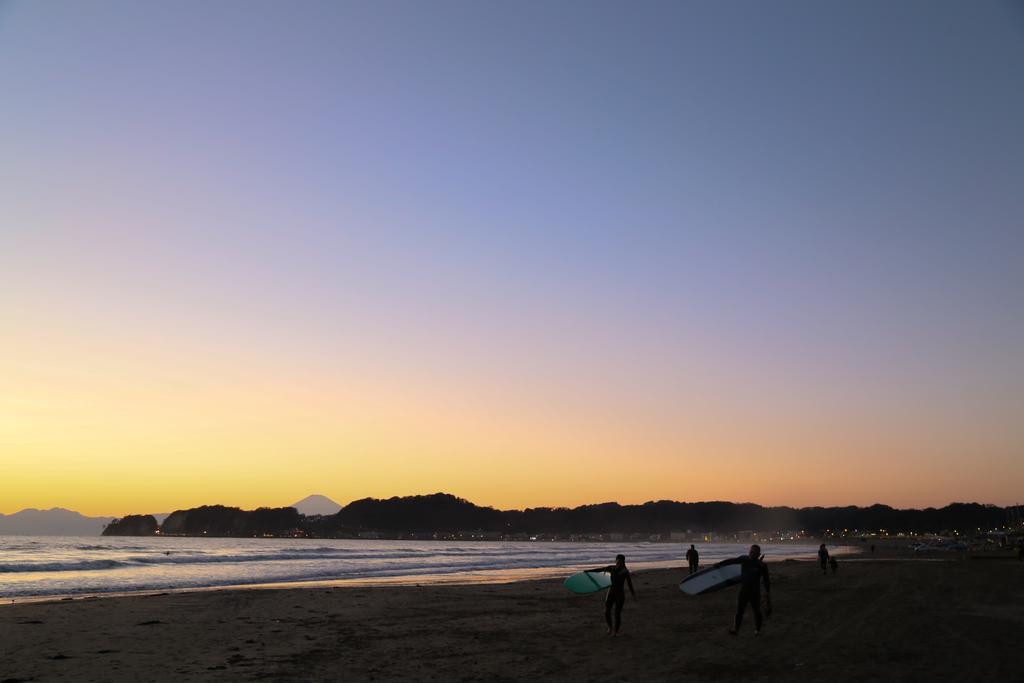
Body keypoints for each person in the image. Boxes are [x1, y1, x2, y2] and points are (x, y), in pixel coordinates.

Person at [716, 544, 771, 636]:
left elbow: (766, 580)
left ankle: (758, 630)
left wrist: (767, 593)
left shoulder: (762, 565)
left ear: (758, 554)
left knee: (756, 612)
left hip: (755, 592)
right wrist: (720, 564)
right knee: (739, 611)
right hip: (744, 590)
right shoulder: (744, 559)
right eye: (750, 551)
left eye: (753, 552)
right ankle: (736, 630)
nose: (751, 553)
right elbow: (732, 561)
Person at [590, 554, 636, 635]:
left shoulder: (625, 571)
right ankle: (610, 627)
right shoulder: (611, 568)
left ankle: (616, 631)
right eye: (618, 560)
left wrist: (633, 594)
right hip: (611, 592)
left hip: (620, 594)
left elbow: (630, 584)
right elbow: (600, 570)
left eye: (621, 561)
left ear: (623, 561)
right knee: (606, 612)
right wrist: (588, 572)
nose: (619, 562)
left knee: (617, 614)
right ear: (616, 560)